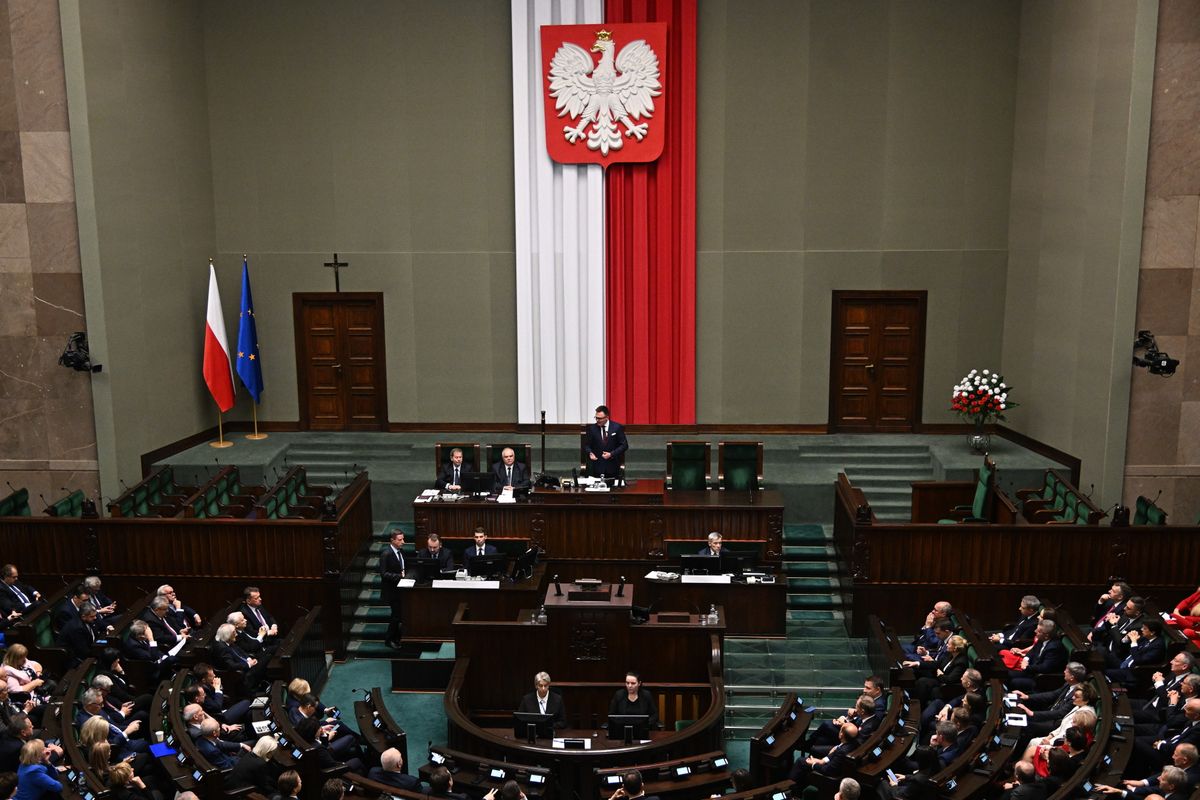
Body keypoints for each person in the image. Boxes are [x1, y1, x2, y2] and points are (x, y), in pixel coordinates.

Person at [585, 405, 628, 481]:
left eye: (600, 418)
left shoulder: (617, 427)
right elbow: (587, 446)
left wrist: (611, 454)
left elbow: (624, 445)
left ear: (607, 417)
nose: (597, 420)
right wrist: (590, 452)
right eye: (596, 418)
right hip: (597, 468)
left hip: (613, 467)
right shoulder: (592, 429)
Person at [381, 529, 406, 648]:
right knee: (396, 616)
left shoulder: (401, 552)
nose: (403, 542)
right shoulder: (386, 554)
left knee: (398, 615)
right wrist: (399, 576)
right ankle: (389, 639)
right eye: (400, 540)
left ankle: (396, 638)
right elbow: (384, 573)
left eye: (403, 539)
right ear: (392, 540)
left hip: (399, 590)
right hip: (391, 591)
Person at [57, 603, 100, 668]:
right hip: (72, 658)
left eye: (95, 615)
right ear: (83, 616)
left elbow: (95, 636)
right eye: (92, 616)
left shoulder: (87, 621)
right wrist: (99, 653)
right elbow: (83, 651)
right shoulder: (77, 628)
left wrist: (103, 644)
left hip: (87, 649)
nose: (95, 618)